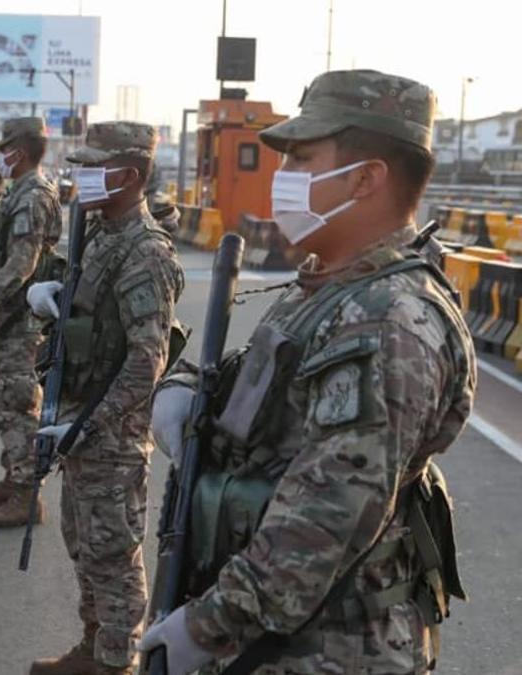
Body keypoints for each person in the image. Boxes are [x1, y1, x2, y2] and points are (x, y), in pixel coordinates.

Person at [138, 70, 475, 675]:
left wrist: (208, 625)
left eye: (301, 159)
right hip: (280, 637)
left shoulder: (389, 319)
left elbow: (328, 515)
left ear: (366, 177)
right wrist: (184, 392)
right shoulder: (327, 288)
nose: (282, 179)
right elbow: (250, 390)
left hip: (334, 650)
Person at [25, 122, 184, 675]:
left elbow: (147, 360)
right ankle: (93, 646)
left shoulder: (144, 252)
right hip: (81, 419)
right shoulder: (99, 233)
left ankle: (117, 662)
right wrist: (54, 297)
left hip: (111, 432)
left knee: (114, 556)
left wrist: (89, 424)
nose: (83, 177)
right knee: (82, 543)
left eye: (96, 168)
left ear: (132, 175)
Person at [0, 117, 63, 528]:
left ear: (18, 152)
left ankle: (27, 494)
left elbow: (24, 261)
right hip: (10, 316)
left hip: (21, 319)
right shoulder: (19, 190)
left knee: (20, 402)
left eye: (5, 148)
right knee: (5, 401)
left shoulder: (33, 195)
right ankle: (14, 475)